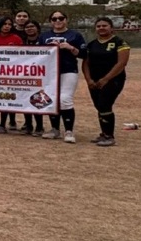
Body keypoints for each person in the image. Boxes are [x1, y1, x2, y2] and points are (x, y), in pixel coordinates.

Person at [38, 10, 87, 143]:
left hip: (68, 70)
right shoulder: (44, 36)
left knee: (65, 99)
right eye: (54, 19)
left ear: (66, 19)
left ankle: (69, 130)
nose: (58, 21)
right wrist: (47, 48)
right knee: (50, 99)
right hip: (49, 72)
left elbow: (83, 54)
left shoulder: (75, 35)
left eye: (61, 18)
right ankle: (54, 129)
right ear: (50, 21)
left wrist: (70, 48)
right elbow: (37, 55)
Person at [82, 17, 130, 147]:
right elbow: (86, 63)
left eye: (105, 25)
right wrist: (89, 80)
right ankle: (103, 133)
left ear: (111, 28)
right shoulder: (92, 44)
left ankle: (109, 136)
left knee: (105, 104)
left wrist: (106, 79)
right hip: (94, 81)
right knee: (99, 106)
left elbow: (122, 63)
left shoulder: (119, 42)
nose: (101, 28)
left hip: (113, 80)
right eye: (99, 26)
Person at [0, 17, 23, 134]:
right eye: (4, 24)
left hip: (9, 73)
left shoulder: (16, 39)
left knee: (5, 97)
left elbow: (24, 55)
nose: (7, 26)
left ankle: (2, 124)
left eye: (9, 24)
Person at [19, 21, 46, 137]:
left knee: (38, 98)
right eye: (27, 27)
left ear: (37, 28)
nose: (29, 29)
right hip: (25, 73)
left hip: (40, 73)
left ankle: (39, 126)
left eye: (32, 26)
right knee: (25, 99)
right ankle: (28, 125)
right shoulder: (22, 41)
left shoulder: (44, 41)